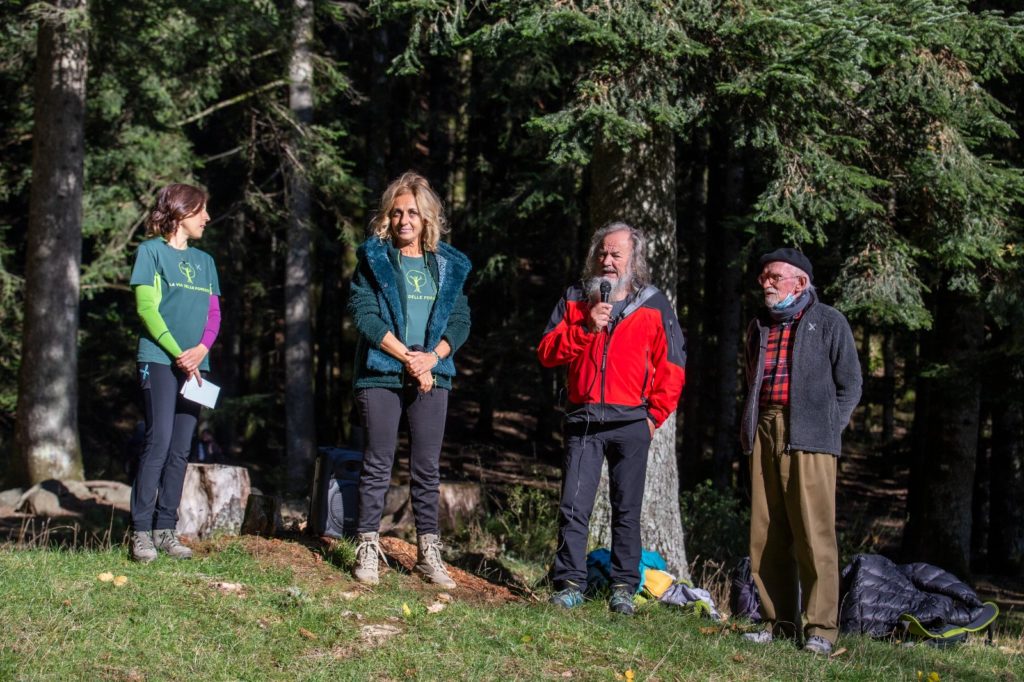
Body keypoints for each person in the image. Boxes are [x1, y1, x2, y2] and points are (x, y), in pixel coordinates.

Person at [537, 222, 686, 616]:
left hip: (631, 423)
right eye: (602, 252)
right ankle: (570, 583)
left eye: (616, 254)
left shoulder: (654, 304)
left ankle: (623, 588)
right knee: (573, 507)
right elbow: (547, 351)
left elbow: (673, 365)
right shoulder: (575, 298)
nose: (607, 260)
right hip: (583, 419)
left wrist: (653, 416)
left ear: (633, 261)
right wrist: (586, 327)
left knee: (626, 511)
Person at [348, 171, 471, 589]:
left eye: (413, 213)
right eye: (397, 212)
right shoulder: (375, 260)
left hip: (433, 375)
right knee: (377, 462)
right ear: (388, 216)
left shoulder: (446, 266)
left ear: (426, 218)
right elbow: (364, 315)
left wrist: (431, 359)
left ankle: (428, 554)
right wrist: (408, 358)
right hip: (381, 373)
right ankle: (367, 546)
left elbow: (460, 320)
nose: (404, 220)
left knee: (426, 468)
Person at [740, 248, 861, 655]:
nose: (766, 283)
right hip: (765, 428)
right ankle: (778, 622)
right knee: (766, 531)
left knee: (814, 534)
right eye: (763, 277)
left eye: (774, 277)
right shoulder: (759, 325)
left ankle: (821, 629)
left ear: (801, 282)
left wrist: (828, 426)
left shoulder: (829, 321)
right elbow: (751, 378)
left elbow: (851, 385)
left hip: (812, 436)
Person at [128, 183, 221, 563]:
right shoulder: (150, 252)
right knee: (159, 440)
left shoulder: (206, 261)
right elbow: (147, 309)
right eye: (201, 210)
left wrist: (200, 351)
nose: (207, 218)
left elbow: (214, 313)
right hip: (159, 360)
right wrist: (178, 352)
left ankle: (166, 529)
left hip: (196, 365)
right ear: (181, 212)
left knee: (182, 448)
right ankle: (140, 532)